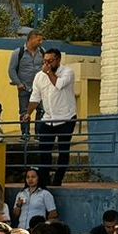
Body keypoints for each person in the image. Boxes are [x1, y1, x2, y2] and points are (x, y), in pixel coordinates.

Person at [29, 47, 77, 186]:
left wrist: (49, 72)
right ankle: (44, 181)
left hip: (66, 117)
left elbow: (59, 85)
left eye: (50, 61)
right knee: (44, 151)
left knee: (63, 151)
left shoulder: (68, 72)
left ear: (58, 60)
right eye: (44, 61)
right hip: (48, 118)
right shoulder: (39, 76)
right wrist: (28, 113)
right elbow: (35, 97)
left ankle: (58, 180)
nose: (47, 64)